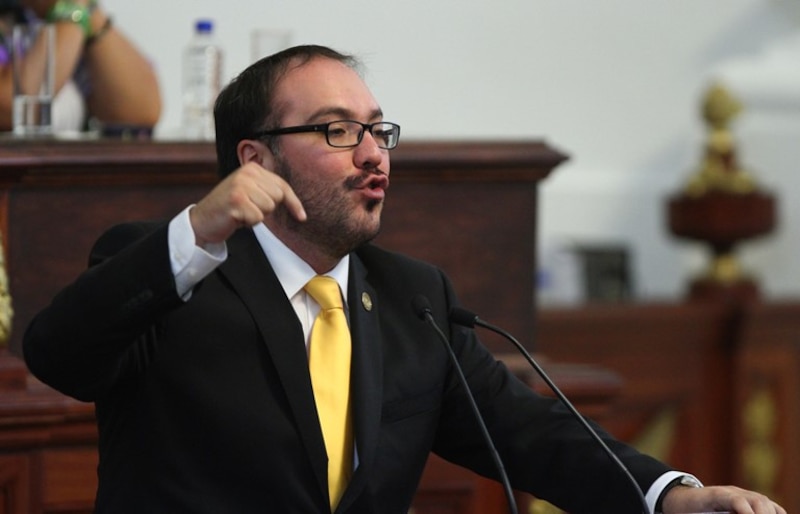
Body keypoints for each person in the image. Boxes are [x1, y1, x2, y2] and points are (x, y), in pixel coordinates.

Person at [22, 45, 785, 514]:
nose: (373, 153)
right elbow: (58, 353)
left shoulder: (411, 297)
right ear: (254, 160)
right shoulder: (171, 273)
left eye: (379, 129)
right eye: (336, 130)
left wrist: (672, 497)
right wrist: (196, 232)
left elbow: (531, 435)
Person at [0, 0, 161, 132]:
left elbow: (140, 113)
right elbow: (14, 109)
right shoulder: (66, 20)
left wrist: (81, 8)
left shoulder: (39, 15)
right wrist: (70, 11)